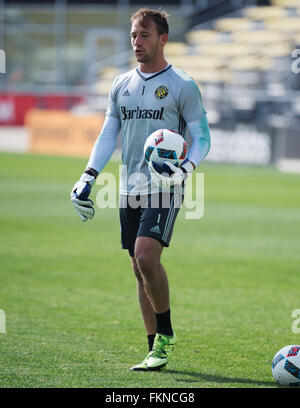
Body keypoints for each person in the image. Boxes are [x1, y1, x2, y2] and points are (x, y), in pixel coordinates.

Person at [70, 8, 211, 371]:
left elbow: (203, 136)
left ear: (163, 39)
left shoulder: (182, 84)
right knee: (138, 267)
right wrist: (87, 176)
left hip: (165, 185)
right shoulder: (121, 85)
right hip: (128, 185)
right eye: (133, 35)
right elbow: (107, 135)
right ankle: (154, 348)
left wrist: (187, 168)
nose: (137, 41)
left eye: (144, 35)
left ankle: (165, 333)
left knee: (147, 256)